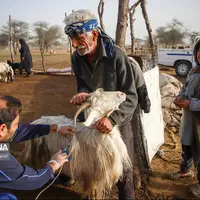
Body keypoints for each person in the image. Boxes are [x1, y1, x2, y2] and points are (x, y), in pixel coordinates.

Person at [64, 9, 138, 200]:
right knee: (96, 162)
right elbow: (82, 84)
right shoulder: (76, 58)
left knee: (122, 163)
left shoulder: (117, 56)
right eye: (71, 38)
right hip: (93, 117)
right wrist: (81, 93)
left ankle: (126, 196)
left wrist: (112, 120)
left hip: (118, 118)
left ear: (94, 34)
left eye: (78, 38)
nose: (73, 44)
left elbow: (130, 96)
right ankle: (98, 194)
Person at [0, 95, 73, 199]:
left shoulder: (3, 132)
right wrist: (53, 165)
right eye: (16, 124)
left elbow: (16, 133)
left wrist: (54, 128)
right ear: (2, 128)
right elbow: (31, 180)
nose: (18, 127)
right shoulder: (2, 160)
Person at [171, 39, 200, 198]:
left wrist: (191, 103)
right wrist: (180, 97)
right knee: (186, 145)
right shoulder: (194, 71)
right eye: (199, 51)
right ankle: (185, 171)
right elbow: (185, 88)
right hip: (189, 118)